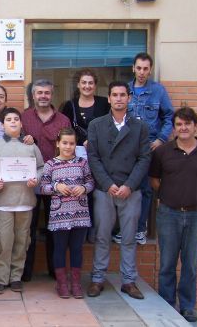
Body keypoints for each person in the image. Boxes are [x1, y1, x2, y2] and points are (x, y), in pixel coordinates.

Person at [149, 107, 197, 322]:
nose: (183, 128)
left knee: (191, 263)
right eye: (179, 124)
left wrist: (195, 194)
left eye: (187, 124)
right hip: (168, 214)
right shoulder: (163, 153)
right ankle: (167, 303)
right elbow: (154, 180)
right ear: (174, 128)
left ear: (195, 126)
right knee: (167, 263)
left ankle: (188, 306)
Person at [86, 81, 150, 300]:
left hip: (130, 190)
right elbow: (93, 157)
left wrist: (129, 185)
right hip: (105, 189)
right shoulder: (96, 125)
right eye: (115, 95)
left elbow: (144, 158)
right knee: (102, 236)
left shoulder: (140, 127)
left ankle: (129, 281)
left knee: (129, 238)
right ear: (110, 98)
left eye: (123, 95)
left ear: (129, 98)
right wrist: (107, 184)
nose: (119, 99)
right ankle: (97, 279)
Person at [0, 107, 44, 294]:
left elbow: (42, 168)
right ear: (2, 124)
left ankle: (16, 276)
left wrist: (37, 178)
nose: (12, 122)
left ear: (21, 123)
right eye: (8, 119)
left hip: (25, 200)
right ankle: (1, 278)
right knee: (3, 241)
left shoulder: (31, 146)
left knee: (22, 240)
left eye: (16, 119)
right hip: (3, 202)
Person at [118, 52, 174, 245]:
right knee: (126, 186)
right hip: (127, 148)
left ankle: (140, 230)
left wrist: (161, 139)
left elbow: (169, 117)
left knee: (146, 189)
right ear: (133, 68)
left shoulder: (158, 91)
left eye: (145, 69)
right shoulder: (125, 90)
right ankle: (125, 229)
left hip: (150, 146)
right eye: (139, 68)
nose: (142, 72)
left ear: (150, 70)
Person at [21, 79, 71, 281]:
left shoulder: (63, 120)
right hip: (29, 181)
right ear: (33, 95)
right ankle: (26, 272)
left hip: (56, 181)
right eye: (39, 92)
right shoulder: (23, 118)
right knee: (28, 228)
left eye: (47, 93)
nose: (43, 96)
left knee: (54, 228)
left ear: (52, 95)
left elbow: (69, 149)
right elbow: (11, 142)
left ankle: (54, 270)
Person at [39, 128, 95, 299]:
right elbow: (42, 187)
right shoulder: (50, 164)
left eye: (71, 143)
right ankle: (62, 283)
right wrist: (56, 187)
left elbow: (91, 182)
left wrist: (84, 188)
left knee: (77, 249)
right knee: (60, 249)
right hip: (59, 215)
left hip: (79, 213)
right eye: (65, 143)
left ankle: (76, 284)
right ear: (58, 143)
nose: (68, 147)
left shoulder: (82, 163)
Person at [61, 69, 110, 243]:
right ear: (78, 85)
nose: (87, 86)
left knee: (98, 193)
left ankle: (95, 231)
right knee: (80, 191)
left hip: (100, 157)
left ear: (95, 85)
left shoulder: (105, 103)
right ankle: (79, 231)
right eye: (84, 82)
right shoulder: (70, 105)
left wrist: (95, 141)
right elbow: (65, 130)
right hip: (77, 158)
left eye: (90, 83)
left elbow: (110, 128)